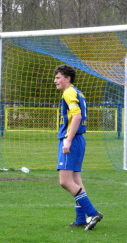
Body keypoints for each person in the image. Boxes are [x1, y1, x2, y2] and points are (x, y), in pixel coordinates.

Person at [54, 64, 103, 230]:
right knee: (76, 180)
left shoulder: (69, 92)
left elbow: (77, 117)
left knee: (65, 181)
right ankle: (81, 219)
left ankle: (93, 213)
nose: (55, 81)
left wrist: (68, 140)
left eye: (58, 77)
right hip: (79, 139)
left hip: (72, 139)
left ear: (67, 79)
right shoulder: (77, 92)